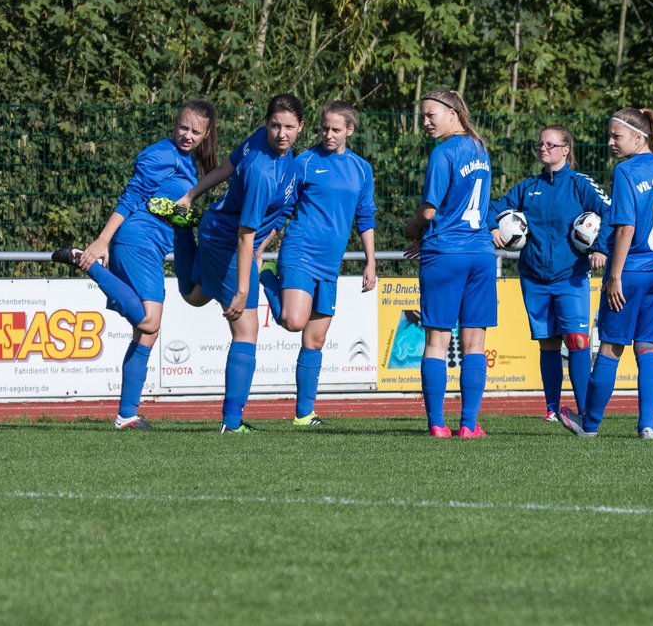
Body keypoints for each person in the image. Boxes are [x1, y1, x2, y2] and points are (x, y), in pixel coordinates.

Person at [51, 100, 220, 430]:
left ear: (206, 134)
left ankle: (126, 415)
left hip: (152, 246)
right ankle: (84, 263)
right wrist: (101, 242)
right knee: (148, 319)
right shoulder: (160, 154)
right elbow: (131, 197)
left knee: (148, 334)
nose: (187, 135)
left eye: (195, 131)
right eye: (183, 127)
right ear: (175, 124)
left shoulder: (189, 162)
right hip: (136, 238)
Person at [558, 107, 653, 439]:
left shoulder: (626, 171)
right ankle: (648, 426)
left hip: (632, 272)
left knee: (611, 348)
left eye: (617, 136)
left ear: (638, 137)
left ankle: (590, 424)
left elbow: (625, 227)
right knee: (649, 348)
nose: (610, 142)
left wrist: (615, 275)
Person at [259, 101, 377, 427]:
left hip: (330, 263)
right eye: (324, 127)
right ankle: (269, 277)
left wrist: (370, 262)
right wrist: (260, 249)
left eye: (335, 129)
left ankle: (304, 414)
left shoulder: (361, 169)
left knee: (315, 340)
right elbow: (282, 210)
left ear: (349, 131)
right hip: (300, 251)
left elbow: (365, 217)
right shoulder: (305, 162)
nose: (328, 134)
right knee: (294, 321)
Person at [196, 94, 303, 433]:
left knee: (195, 295)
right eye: (275, 126)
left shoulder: (276, 153)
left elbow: (227, 168)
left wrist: (190, 196)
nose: (281, 133)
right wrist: (244, 288)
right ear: (265, 125)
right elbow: (245, 235)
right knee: (247, 328)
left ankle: (182, 237)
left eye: (288, 126)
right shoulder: (263, 171)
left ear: (300, 127)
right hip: (227, 241)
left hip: (221, 235)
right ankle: (231, 421)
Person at [489, 125, 610, 422]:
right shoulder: (528, 187)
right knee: (548, 343)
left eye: (550, 145)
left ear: (566, 149)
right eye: (540, 144)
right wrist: (493, 227)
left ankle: (583, 411)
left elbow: (611, 212)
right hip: (533, 277)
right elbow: (492, 208)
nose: (543, 149)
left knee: (578, 340)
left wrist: (601, 248)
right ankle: (552, 409)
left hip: (571, 276)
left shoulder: (580, 184)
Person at [404, 89, 496, 439]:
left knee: (437, 342)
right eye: (424, 116)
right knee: (474, 343)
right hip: (481, 254)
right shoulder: (480, 149)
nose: (426, 122)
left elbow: (429, 211)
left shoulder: (443, 153)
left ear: (453, 113)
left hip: (446, 252)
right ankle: (469, 425)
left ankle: (438, 424)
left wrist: (412, 229)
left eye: (431, 115)